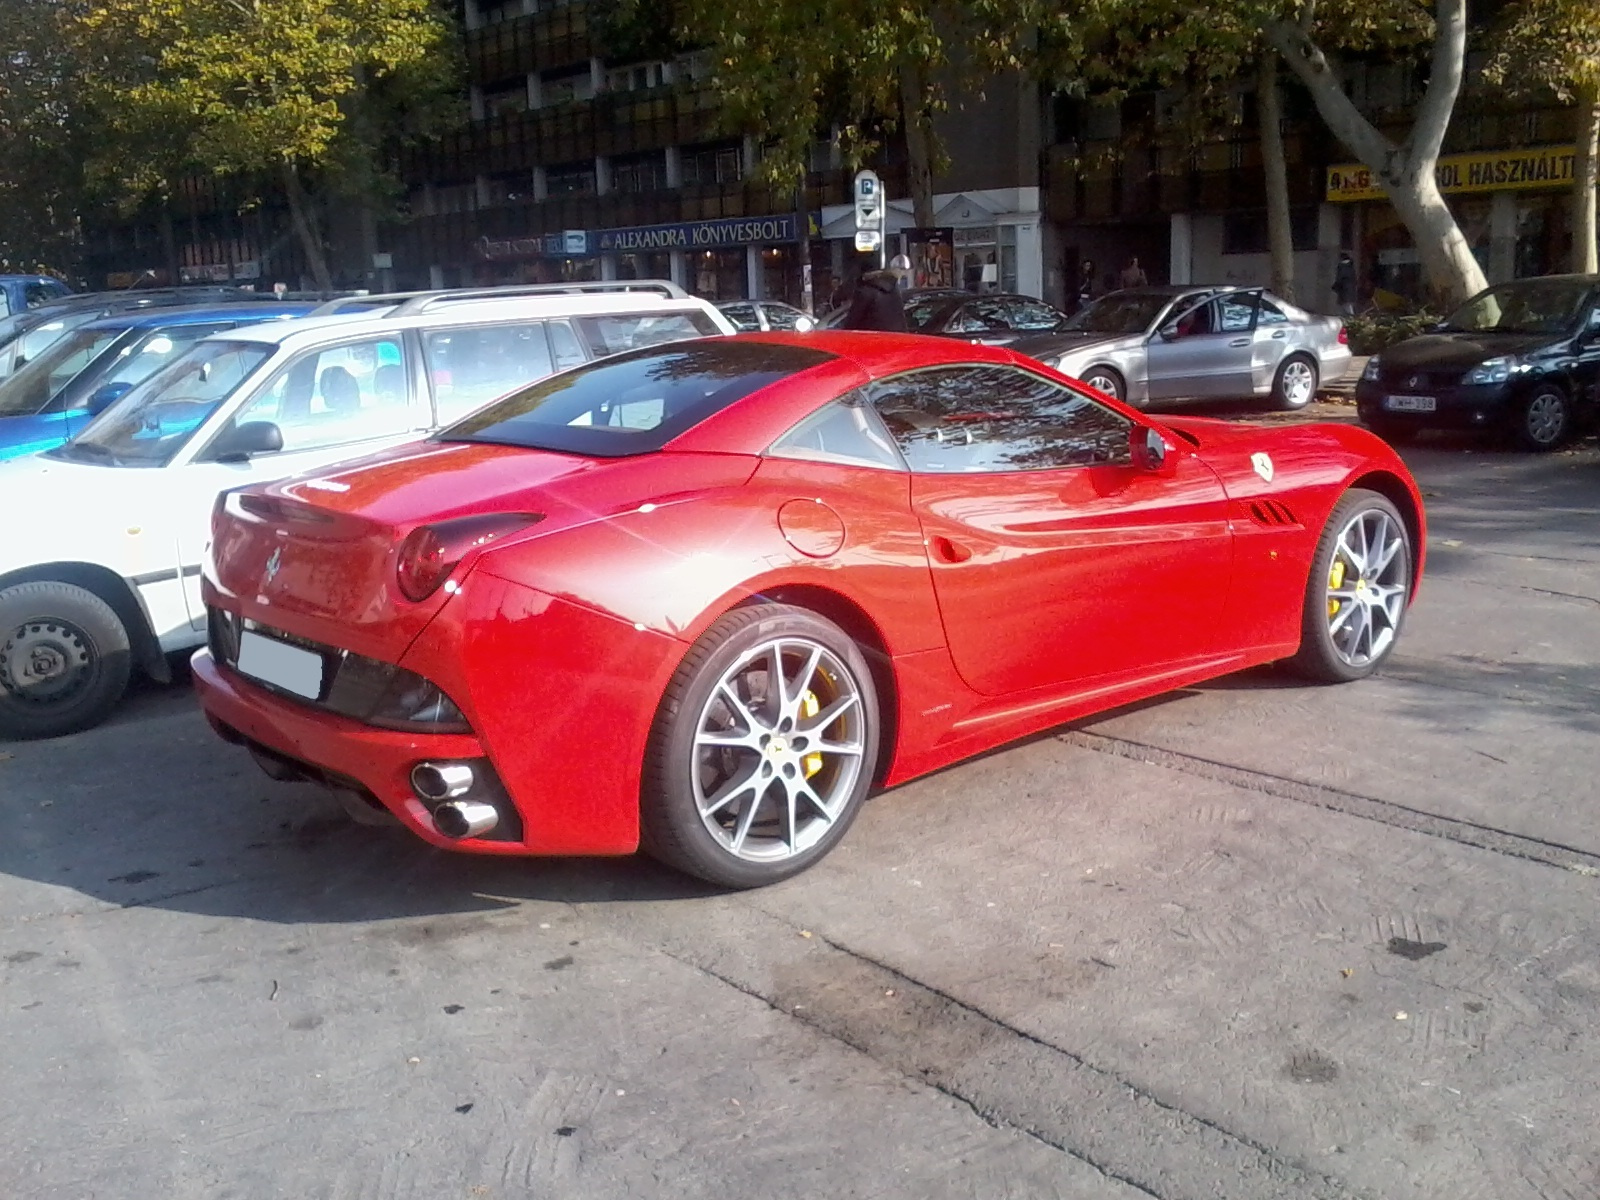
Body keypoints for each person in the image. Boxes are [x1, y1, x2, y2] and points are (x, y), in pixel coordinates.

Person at [839, 260, 910, 332]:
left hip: (871, 339)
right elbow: (901, 320)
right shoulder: (894, 290)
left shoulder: (865, 292)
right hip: (896, 339)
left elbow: (851, 322)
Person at [1332, 251, 1357, 316]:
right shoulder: (1350, 266)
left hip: (1344, 290)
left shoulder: (1343, 267)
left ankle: (1352, 321)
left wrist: (1335, 286)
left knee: (1346, 307)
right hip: (1350, 290)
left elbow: (1340, 279)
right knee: (1347, 306)